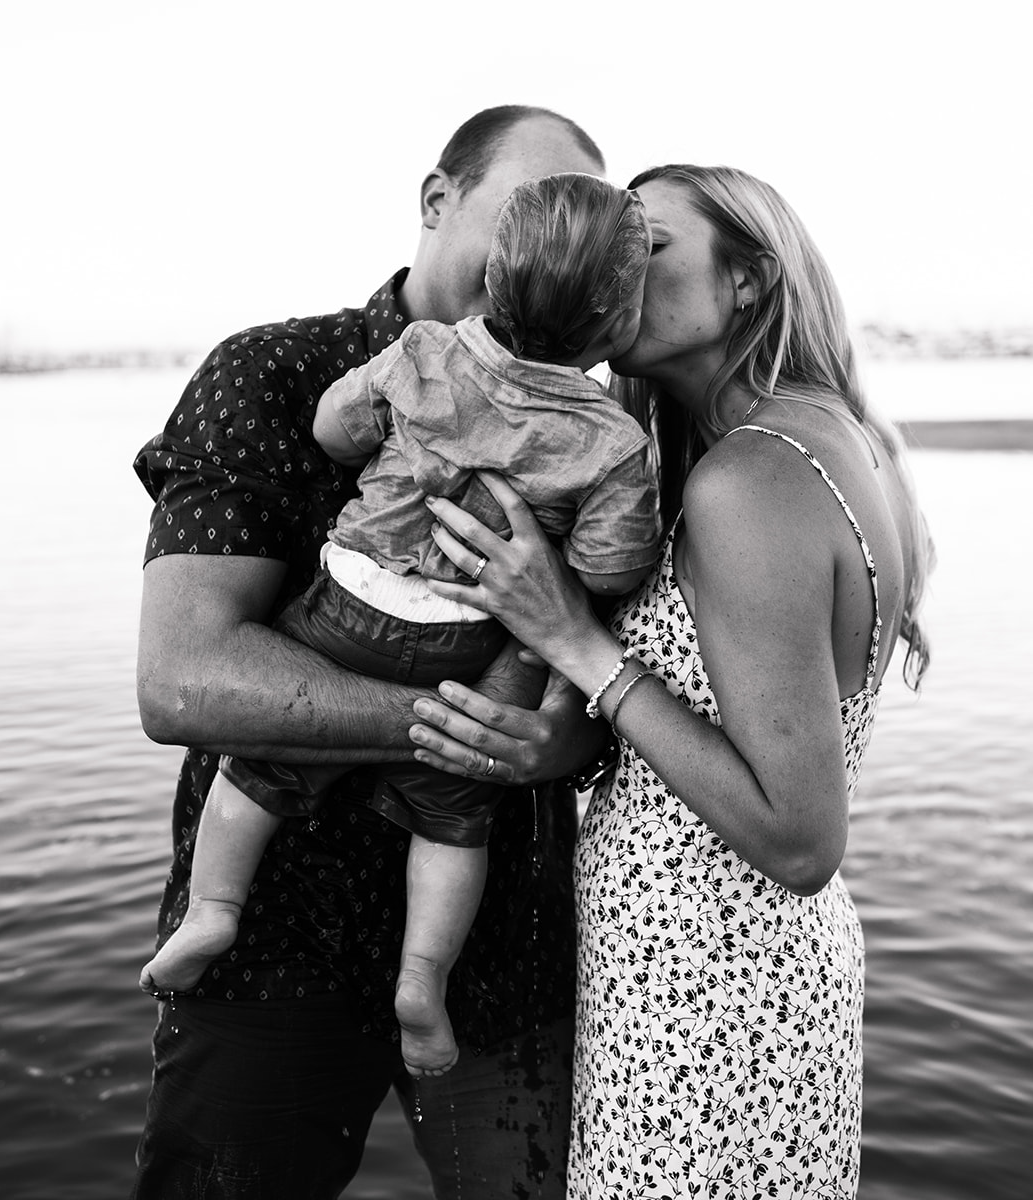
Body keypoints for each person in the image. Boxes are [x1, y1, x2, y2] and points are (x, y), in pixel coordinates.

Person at [409, 163, 933, 1199]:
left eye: (643, 246)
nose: (613, 266)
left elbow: (797, 836)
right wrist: (577, 737)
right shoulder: (831, 440)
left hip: (708, 1001)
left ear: (745, 279)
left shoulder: (747, 478)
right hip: (726, 986)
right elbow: (736, 715)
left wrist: (573, 641)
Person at [131, 107, 621, 1200]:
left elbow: (598, 650)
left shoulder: (599, 426)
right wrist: (465, 733)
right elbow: (179, 681)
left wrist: (564, 738)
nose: (542, 243)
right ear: (436, 201)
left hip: (496, 962)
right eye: (520, 210)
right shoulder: (273, 374)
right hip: (269, 950)